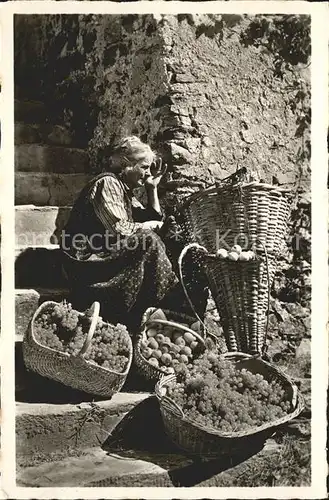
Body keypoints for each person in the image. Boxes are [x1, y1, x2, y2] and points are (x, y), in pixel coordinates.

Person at [60, 136, 208, 333]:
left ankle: (169, 308)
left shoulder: (125, 191)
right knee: (148, 240)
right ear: (126, 164)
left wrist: (152, 189)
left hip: (106, 256)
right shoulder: (108, 183)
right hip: (87, 262)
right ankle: (169, 305)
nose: (148, 173)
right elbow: (120, 228)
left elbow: (152, 218)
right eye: (144, 167)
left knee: (165, 242)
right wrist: (152, 226)